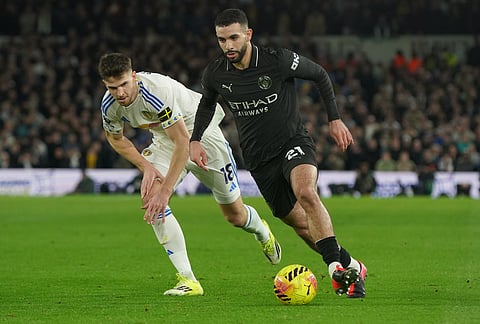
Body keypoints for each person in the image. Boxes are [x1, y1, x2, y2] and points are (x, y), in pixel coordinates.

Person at [190, 8, 367, 298]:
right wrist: (195, 139)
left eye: (234, 38)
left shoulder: (277, 60)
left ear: (248, 34)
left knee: (306, 192)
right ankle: (350, 264)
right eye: (222, 40)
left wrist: (334, 118)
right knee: (298, 222)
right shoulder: (216, 73)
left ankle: (335, 270)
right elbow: (207, 103)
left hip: (292, 142)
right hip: (259, 159)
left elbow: (320, 75)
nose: (228, 46)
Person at [98, 53, 281, 296]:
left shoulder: (155, 92)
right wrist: (147, 167)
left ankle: (262, 231)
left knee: (235, 216)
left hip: (200, 133)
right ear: (105, 85)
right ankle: (188, 280)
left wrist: (166, 191)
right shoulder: (109, 105)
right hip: (166, 139)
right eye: (113, 87)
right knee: (152, 200)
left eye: (124, 84)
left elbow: (183, 142)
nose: (120, 93)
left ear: (133, 76)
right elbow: (116, 139)